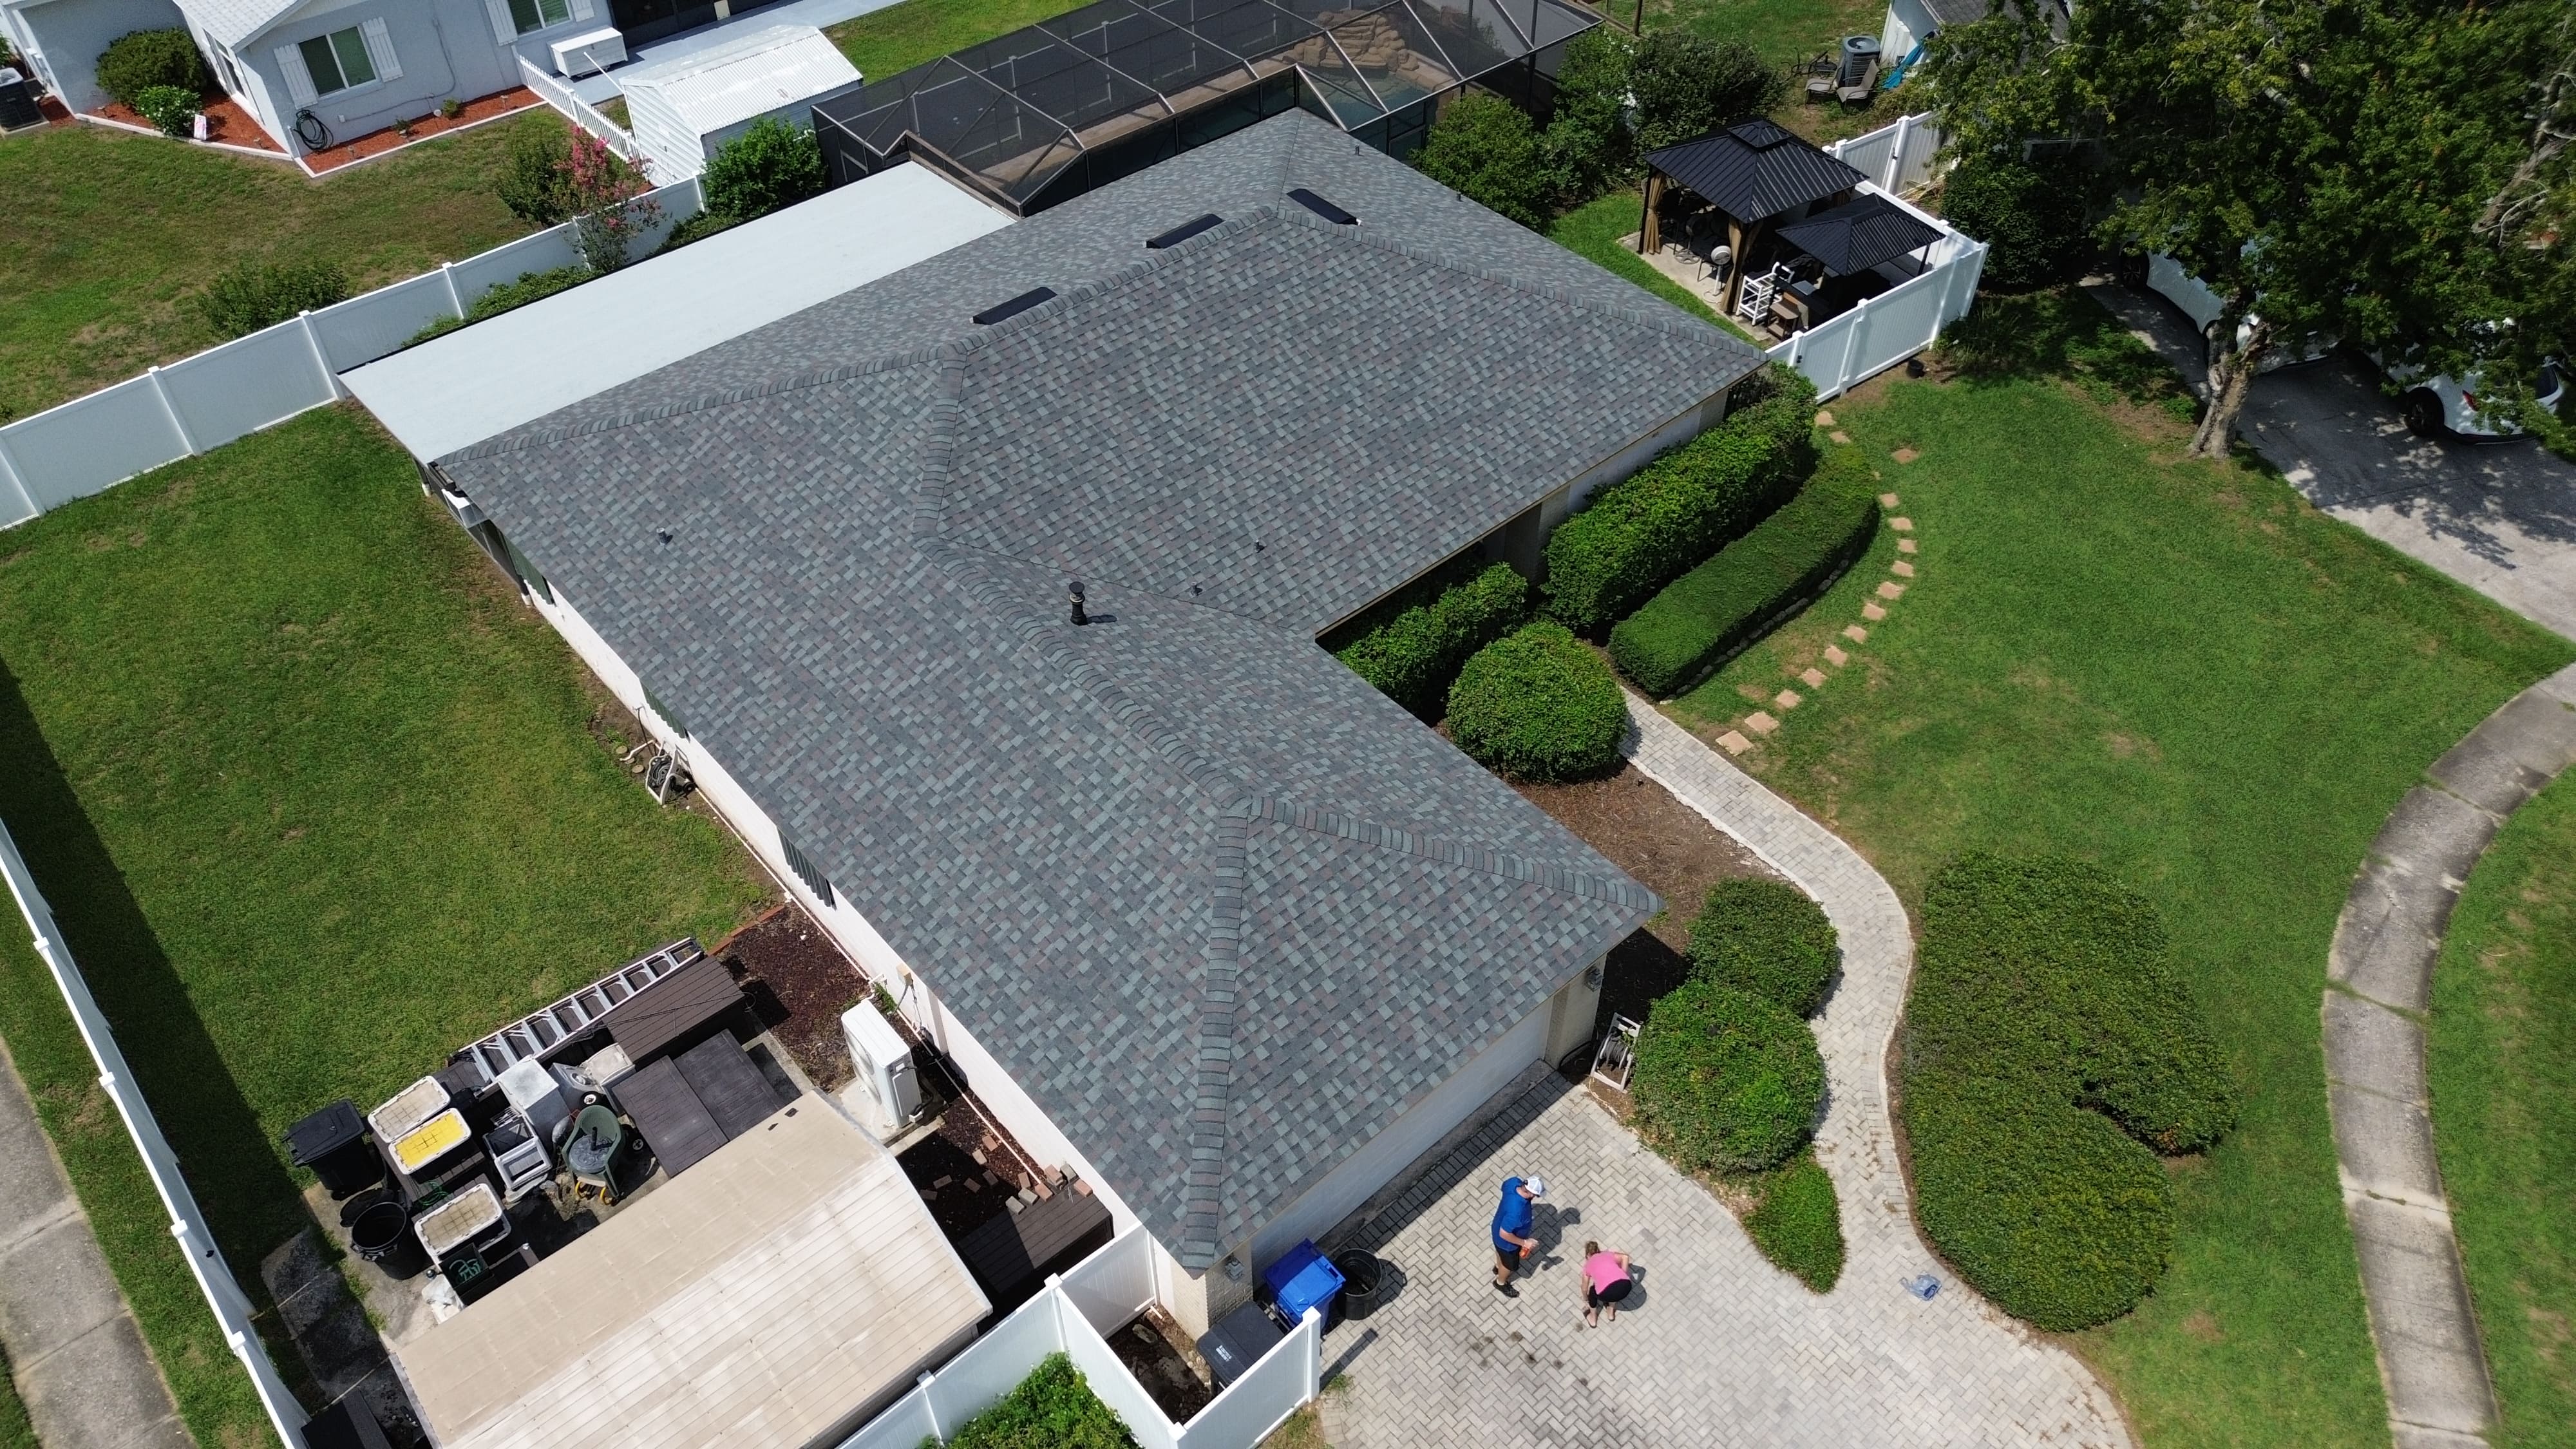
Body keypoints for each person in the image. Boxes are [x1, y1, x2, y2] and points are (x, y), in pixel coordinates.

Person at [1490, 1173, 1545, 1293]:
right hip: (1508, 1244)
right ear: (1531, 1194)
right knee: (1509, 1265)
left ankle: (1498, 1267)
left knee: (1500, 1253)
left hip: (1496, 1228)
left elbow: (1503, 1187)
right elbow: (1504, 1234)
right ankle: (1500, 1282)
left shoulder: (1513, 1183)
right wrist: (1525, 1243)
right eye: (1536, 1195)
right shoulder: (1517, 1212)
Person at [1580, 1242, 1633, 1326]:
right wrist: (1623, 1274)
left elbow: (1584, 1288)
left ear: (1587, 1255)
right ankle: (1611, 1313)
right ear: (1599, 1250)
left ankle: (1593, 1319)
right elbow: (1625, 1257)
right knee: (1615, 1287)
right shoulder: (1607, 1254)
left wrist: (1585, 1298)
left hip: (1607, 1293)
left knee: (1592, 1292)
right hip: (1626, 1286)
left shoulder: (1588, 1265)